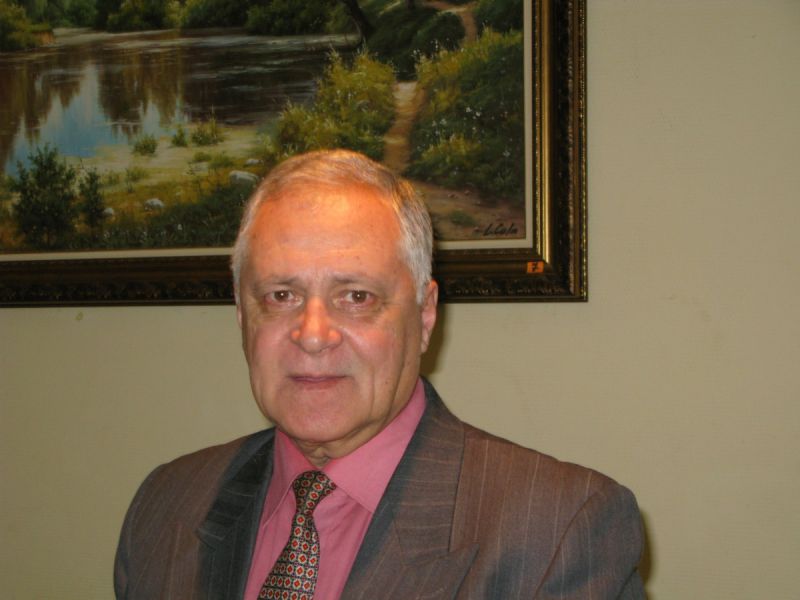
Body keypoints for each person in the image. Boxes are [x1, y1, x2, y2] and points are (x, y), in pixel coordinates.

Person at [114, 149, 645, 599]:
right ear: (241, 315)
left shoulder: (558, 530)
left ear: (424, 315)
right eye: (280, 295)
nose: (313, 334)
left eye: (356, 297)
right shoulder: (166, 503)